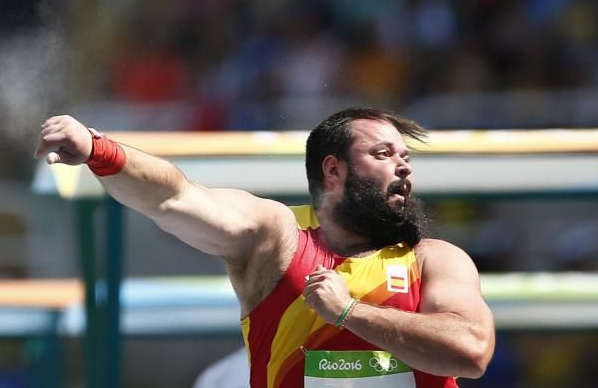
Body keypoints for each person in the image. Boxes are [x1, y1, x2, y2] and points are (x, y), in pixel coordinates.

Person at [35, 108, 495, 387]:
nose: (403, 169)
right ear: (333, 171)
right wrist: (100, 150)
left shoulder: (434, 259)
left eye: (405, 158)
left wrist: (350, 313)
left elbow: (472, 352)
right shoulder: (279, 237)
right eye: (383, 155)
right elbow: (176, 197)